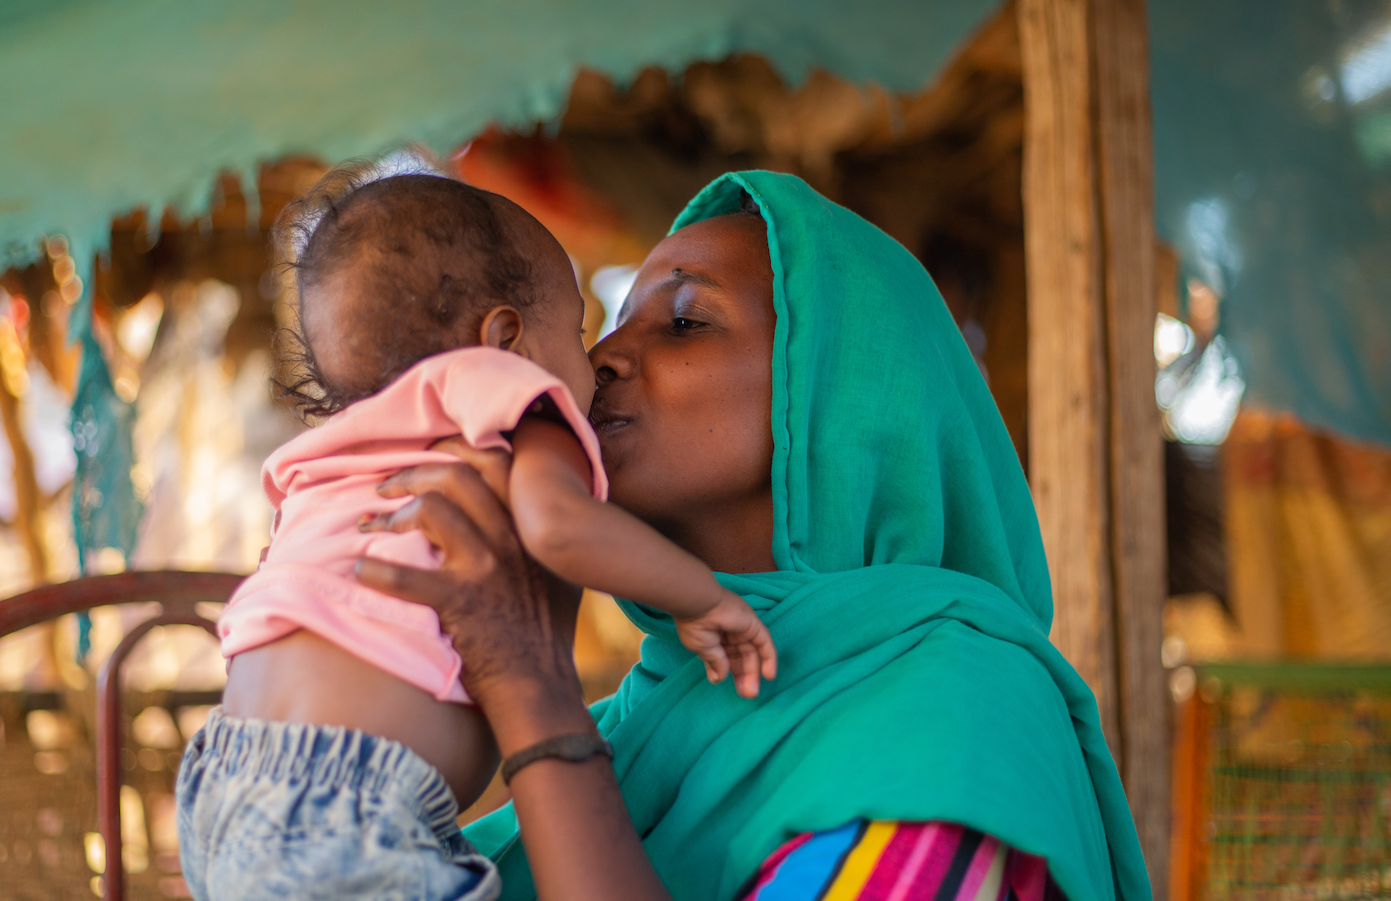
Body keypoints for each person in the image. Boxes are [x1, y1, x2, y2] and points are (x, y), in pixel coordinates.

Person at [354, 171, 1153, 901]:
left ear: (842, 398)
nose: (600, 360)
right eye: (610, 324)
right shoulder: (638, 726)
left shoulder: (959, 712)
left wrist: (529, 688)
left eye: (685, 320)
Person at [176, 168, 775, 901]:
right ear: (505, 340)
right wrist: (702, 598)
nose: (600, 359)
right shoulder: (511, 401)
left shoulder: (339, 448)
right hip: (352, 800)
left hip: (224, 775)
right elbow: (559, 524)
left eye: (683, 319)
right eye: (582, 328)